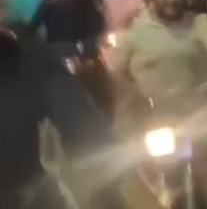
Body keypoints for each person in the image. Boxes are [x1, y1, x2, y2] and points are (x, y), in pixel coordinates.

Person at [107, 0, 207, 207]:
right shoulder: (138, 30)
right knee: (166, 176)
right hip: (155, 117)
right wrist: (133, 93)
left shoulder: (199, 24)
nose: (172, 0)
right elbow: (116, 70)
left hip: (197, 113)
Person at [0, 27, 124, 208]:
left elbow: (77, 120)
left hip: (35, 190)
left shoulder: (32, 62)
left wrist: (103, 167)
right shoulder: (34, 61)